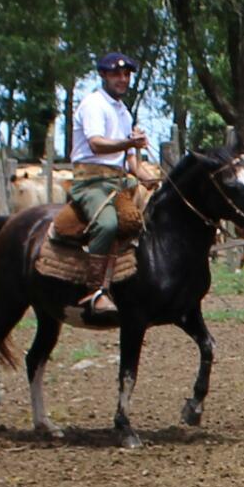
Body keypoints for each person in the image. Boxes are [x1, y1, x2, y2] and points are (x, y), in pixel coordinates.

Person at [68, 52, 158, 315]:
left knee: (154, 215)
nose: (122, 79)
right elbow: (96, 143)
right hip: (91, 182)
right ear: (104, 76)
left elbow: (131, 162)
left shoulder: (124, 112)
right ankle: (94, 291)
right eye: (116, 74)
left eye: (126, 74)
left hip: (119, 180)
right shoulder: (93, 104)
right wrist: (130, 142)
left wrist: (146, 176)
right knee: (107, 224)